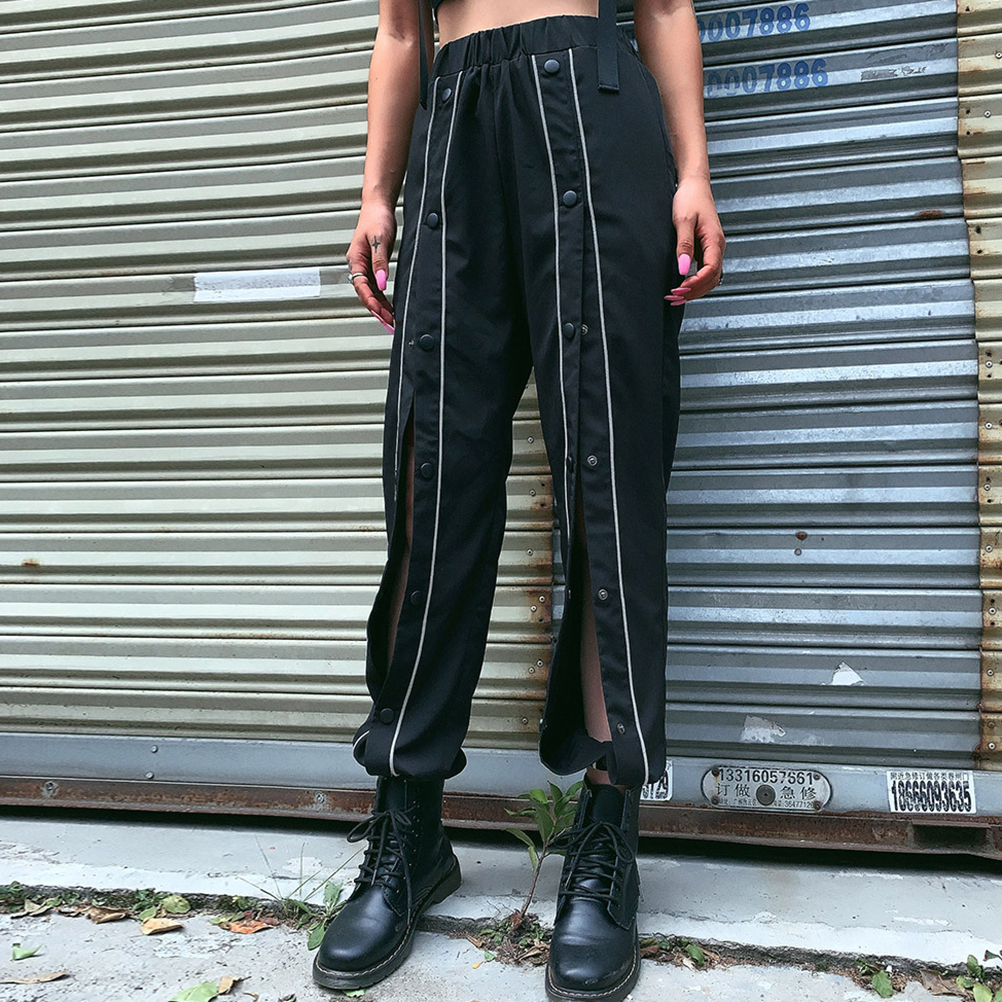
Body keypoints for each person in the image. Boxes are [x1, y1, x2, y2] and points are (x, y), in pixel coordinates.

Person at [315, 0, 724, 997]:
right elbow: (401, 31)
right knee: (432, 478)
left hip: (596, 107)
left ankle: (605, 834)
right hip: (455, 132)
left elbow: (666, 6)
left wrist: (695, 173)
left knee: (610, 477)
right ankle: (409, 828)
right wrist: (375, 192)